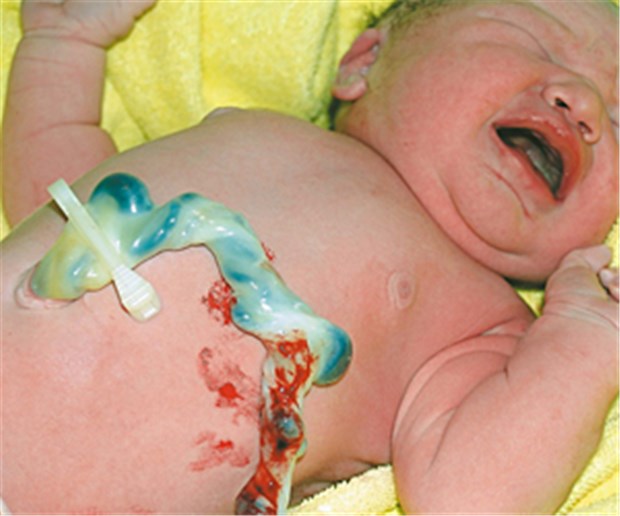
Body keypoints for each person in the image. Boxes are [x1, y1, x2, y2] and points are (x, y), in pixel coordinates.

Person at [1, 0, 618, 513]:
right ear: (364, 62)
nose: (584, 102)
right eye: (534, 42)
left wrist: (587, 337)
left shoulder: (482, 327)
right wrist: (62, 44)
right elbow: (57, 201)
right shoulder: (251, 128)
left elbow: (467, 498)